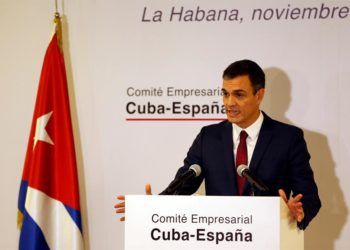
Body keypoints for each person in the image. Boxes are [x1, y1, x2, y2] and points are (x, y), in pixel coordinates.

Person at [115, 59, 321, 229]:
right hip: (219, 239)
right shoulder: (209, 137)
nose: (229, 102)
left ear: (259, 95)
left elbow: (310, 196)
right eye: (225, 93)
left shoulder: (287, 138)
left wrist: (299, 212)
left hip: (269, 238)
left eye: (239, 95)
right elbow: (183, 185)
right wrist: (152, 208)